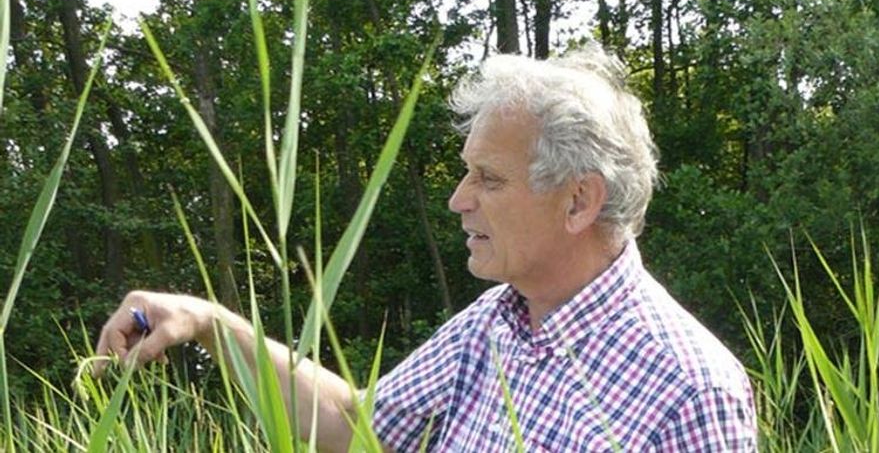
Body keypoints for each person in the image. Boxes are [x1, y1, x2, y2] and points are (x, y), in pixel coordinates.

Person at [96, 44, 758, 451]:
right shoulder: (495, 324)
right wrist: (207, 322)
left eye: (488, 179)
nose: (458, 199)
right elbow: (353, 425)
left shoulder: (692, 390)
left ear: (579, 200)